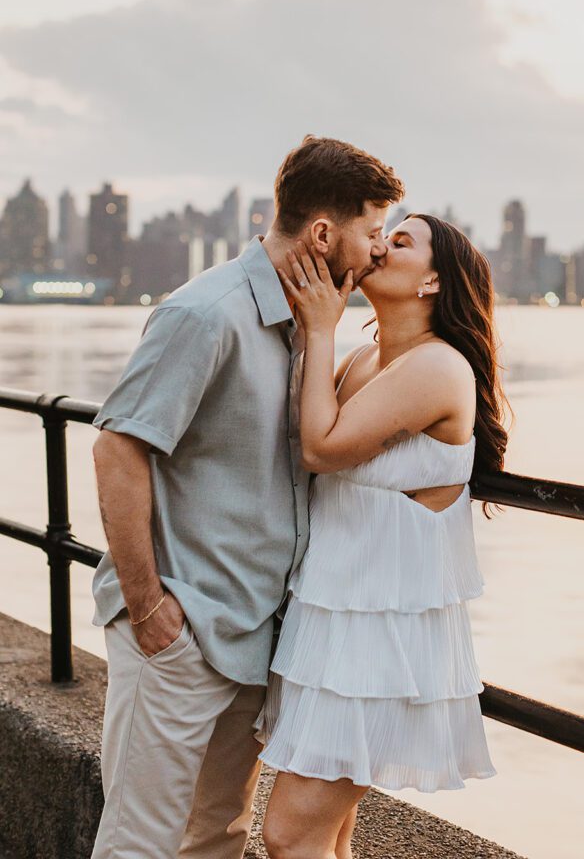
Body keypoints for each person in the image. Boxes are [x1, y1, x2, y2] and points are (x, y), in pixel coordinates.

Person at [89, 135, 405, 859]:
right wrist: (148, 607)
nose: (377, 251)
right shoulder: (205, 314)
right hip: (182, 628)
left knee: (220, 836)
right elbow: (118, 449)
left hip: (258, 635)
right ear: (323, 233)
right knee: (140, 842)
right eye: (370, 231)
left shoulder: (313, 323)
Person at [255, 214, 510, 859]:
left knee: (289, 835)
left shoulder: (436, 368)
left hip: (381, 637)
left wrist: (319, 326)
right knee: (327, 835)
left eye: (401, 241)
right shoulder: (368, 357)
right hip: (336, 619)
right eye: (383, 233)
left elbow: (321, 447)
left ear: (432, 281)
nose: (380, 245)